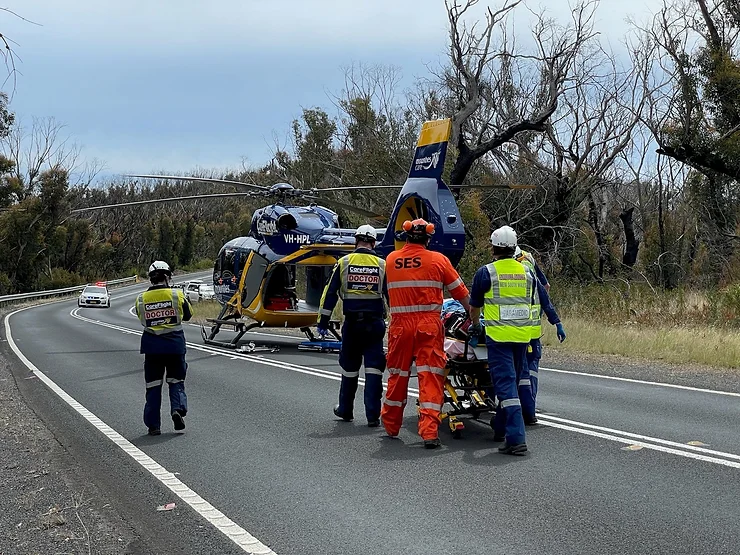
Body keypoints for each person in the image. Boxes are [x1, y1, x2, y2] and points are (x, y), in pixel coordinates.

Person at [382, 218, 471, 449]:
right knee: (431, 376)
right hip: (428, 327)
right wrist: (474, 317)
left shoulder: (391, 260)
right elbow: (462, 295)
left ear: (407, 236)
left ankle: (391, 425)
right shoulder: (438, 260)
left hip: (400, 327)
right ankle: (429, 433)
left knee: (398, 375)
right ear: (429, 238)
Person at [469, 226, 533, 455]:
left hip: (498, 337)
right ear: (514, 246)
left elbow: (474, 306)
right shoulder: (527, 272)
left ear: (493, 247)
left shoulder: (486, 272)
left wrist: (476, 327)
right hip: (523, 336)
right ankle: (500, 427)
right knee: (513, 385)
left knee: (506, 387)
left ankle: (516, 439)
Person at [318, 225, 387, 427]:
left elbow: (329, 294)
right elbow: (391, 296)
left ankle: (345, 410)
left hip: (352, 325)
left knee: (349, 369)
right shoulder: (382, 265)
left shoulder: (344, 262)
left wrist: (323, 321)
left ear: (355, 241)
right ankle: (373, 415)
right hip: (375, 325)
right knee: (374, 369)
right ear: (373, 243)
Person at [134, 261, 193, 436]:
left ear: (151, 279)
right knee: (176, 382)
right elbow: (188, 315)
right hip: (174, 346)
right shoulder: (177, 295)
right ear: (167, 276)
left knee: (153, 386)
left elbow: (141, 319)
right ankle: (177, 409)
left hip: (152, 348)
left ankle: (153, 426)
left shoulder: (141, 299)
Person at [515, 246, 566, 423]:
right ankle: (529, 412)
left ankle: (516, 411)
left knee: (517, 374)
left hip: (514, 335)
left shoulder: (500, 272)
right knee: (531, 373)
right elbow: (546, 288)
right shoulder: (530, 263)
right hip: (532, 334)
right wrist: (557, 323)